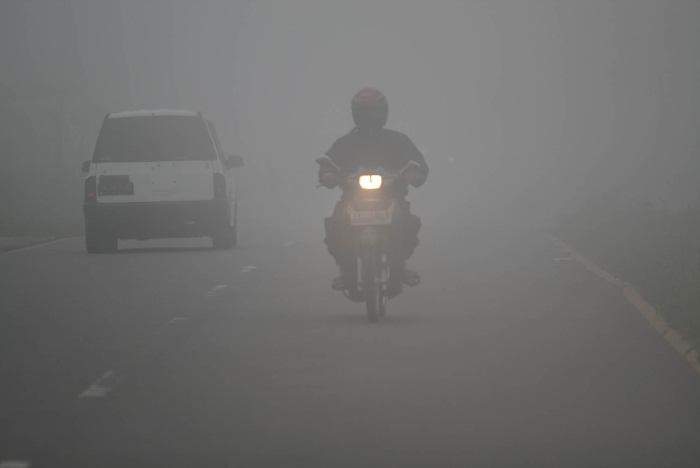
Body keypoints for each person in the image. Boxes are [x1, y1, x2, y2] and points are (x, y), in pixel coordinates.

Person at [319, 88, 429, 294]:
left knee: (408, 223)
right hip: (352, 199)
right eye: (364, 112)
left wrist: (415, 174)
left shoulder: (398, 141)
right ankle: (346, 268)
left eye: (374, 112)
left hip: (393, 198)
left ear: (383, 113)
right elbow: (328, 163)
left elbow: (418, 164)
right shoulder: (345, 143)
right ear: (355, 114)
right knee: (335, 225)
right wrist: (327, 175)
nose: (369, 117)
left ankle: (400, 265)